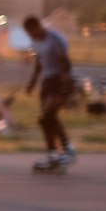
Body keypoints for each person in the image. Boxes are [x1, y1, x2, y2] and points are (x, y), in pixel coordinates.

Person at [21, 15, 76, 169]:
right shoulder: (35, 41)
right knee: (45, 119)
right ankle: (53, 153)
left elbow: (66, 63)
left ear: (38, 27)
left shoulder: (54, 39)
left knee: (49, 115)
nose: (31, 36)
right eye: (28, 34)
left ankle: (67, 149)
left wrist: (65, 86)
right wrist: (32, 82)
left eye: (31, 32)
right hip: (47, 81)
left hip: (60, 80)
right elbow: (39, 62)